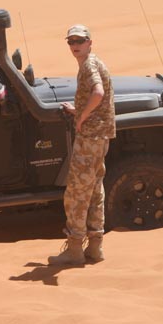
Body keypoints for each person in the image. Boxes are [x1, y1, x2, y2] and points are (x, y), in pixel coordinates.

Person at [49, 24, 115, 266]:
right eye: (71, 42)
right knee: (95, 188)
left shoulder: (88, 66)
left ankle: (75, 248)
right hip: (100, 137)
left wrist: (82, 117)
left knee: (77, 192)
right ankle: (95, 246)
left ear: (89, 42)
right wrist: (79, 111)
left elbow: (98, 93)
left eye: (79, 41)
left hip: (90, 138)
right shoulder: (93, 62)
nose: (75, 45)